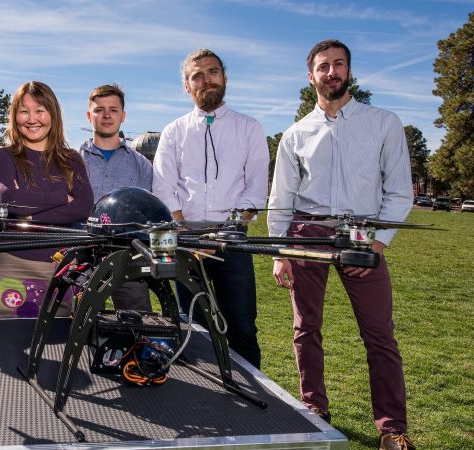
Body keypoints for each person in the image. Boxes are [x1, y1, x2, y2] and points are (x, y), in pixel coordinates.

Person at [267, 40, 415, 450]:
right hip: (306, 234)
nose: (331, 72)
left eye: (338, 65)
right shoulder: (296, 133)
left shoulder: (383, 122)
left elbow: (400, 191)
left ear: (349, 71)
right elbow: (281, 199)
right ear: (310, 75)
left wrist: (379, 242)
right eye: (322, 66)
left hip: (363, 236)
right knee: (305, 328)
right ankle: (314, 410)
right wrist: (281, 251)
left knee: (379, 335)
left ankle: (392, 429)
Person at [152, 48, 268, 369]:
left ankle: (251, 391)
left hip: (232, 241)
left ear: (224, 78)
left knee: (243, 326)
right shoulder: (174, 131)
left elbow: (256, 189)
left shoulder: (249, 128)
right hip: (186, 244)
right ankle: (205, 388)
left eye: (212, 72)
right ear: (187, 87)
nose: (206, 80)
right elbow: (164, 187)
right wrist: (185, 231)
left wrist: (229, 227)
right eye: (197, 76)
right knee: (194, 328)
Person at [0, 81, 93, 318]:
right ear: (15, 117)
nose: (32, 119)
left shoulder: (71, 159)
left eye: (40, 111)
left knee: (58, 330)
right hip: (16, 259)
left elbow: (83, 207)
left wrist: (29, 214)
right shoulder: (5, 156)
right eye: (24, 111)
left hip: (61, 263)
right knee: (8, 328)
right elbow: (8, 199)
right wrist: (61, 197)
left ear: (52, 115)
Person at [77, 83, 153, 311]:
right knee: (79, 323)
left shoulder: (141, 165)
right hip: (81, 254)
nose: (106, 115)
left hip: (126, 256)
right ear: (89, 116)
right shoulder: (71, 160)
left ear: (123, 116)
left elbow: (145, 213)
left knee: (137, 321)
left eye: (113, 109)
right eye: (99, 110)